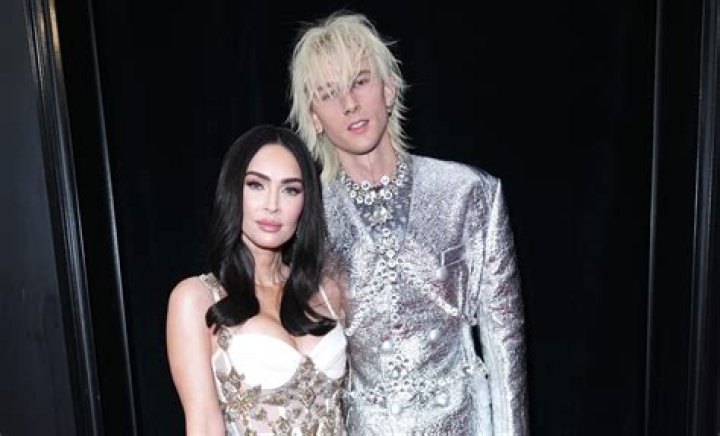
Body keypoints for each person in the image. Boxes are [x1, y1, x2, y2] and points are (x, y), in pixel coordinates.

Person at [288, 11, 528, 435]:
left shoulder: (469, 193)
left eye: (360, 82)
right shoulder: (310, 218)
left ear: (389, 88)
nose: (349, 104)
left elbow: (504, 342)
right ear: (315, 116)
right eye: (329, 93)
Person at [166, 125, 346, 435]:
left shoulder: (328, 291)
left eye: (290, 190)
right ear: (233, 191)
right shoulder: (197, 298)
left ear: (306, 203)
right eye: (256, 185)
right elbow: (204, 426)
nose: (272, 205)